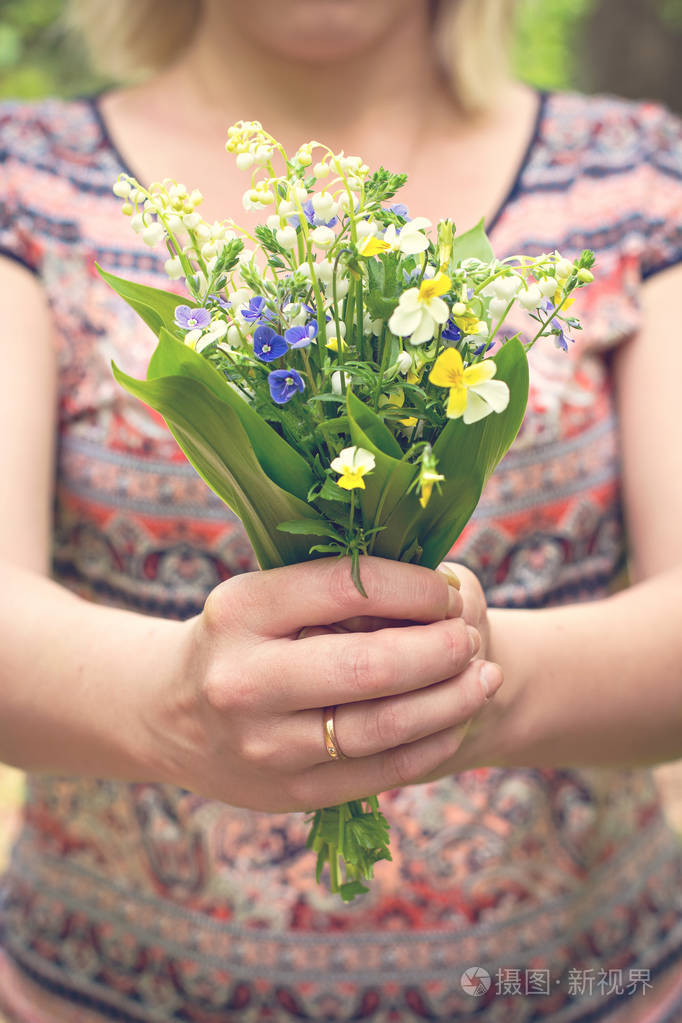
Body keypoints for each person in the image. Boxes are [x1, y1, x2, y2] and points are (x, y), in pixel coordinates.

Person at [1, 0, 681, 1019]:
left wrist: (467, 686)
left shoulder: (633, 175)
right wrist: (171, 707)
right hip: (105, 990)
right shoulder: (27, 177)